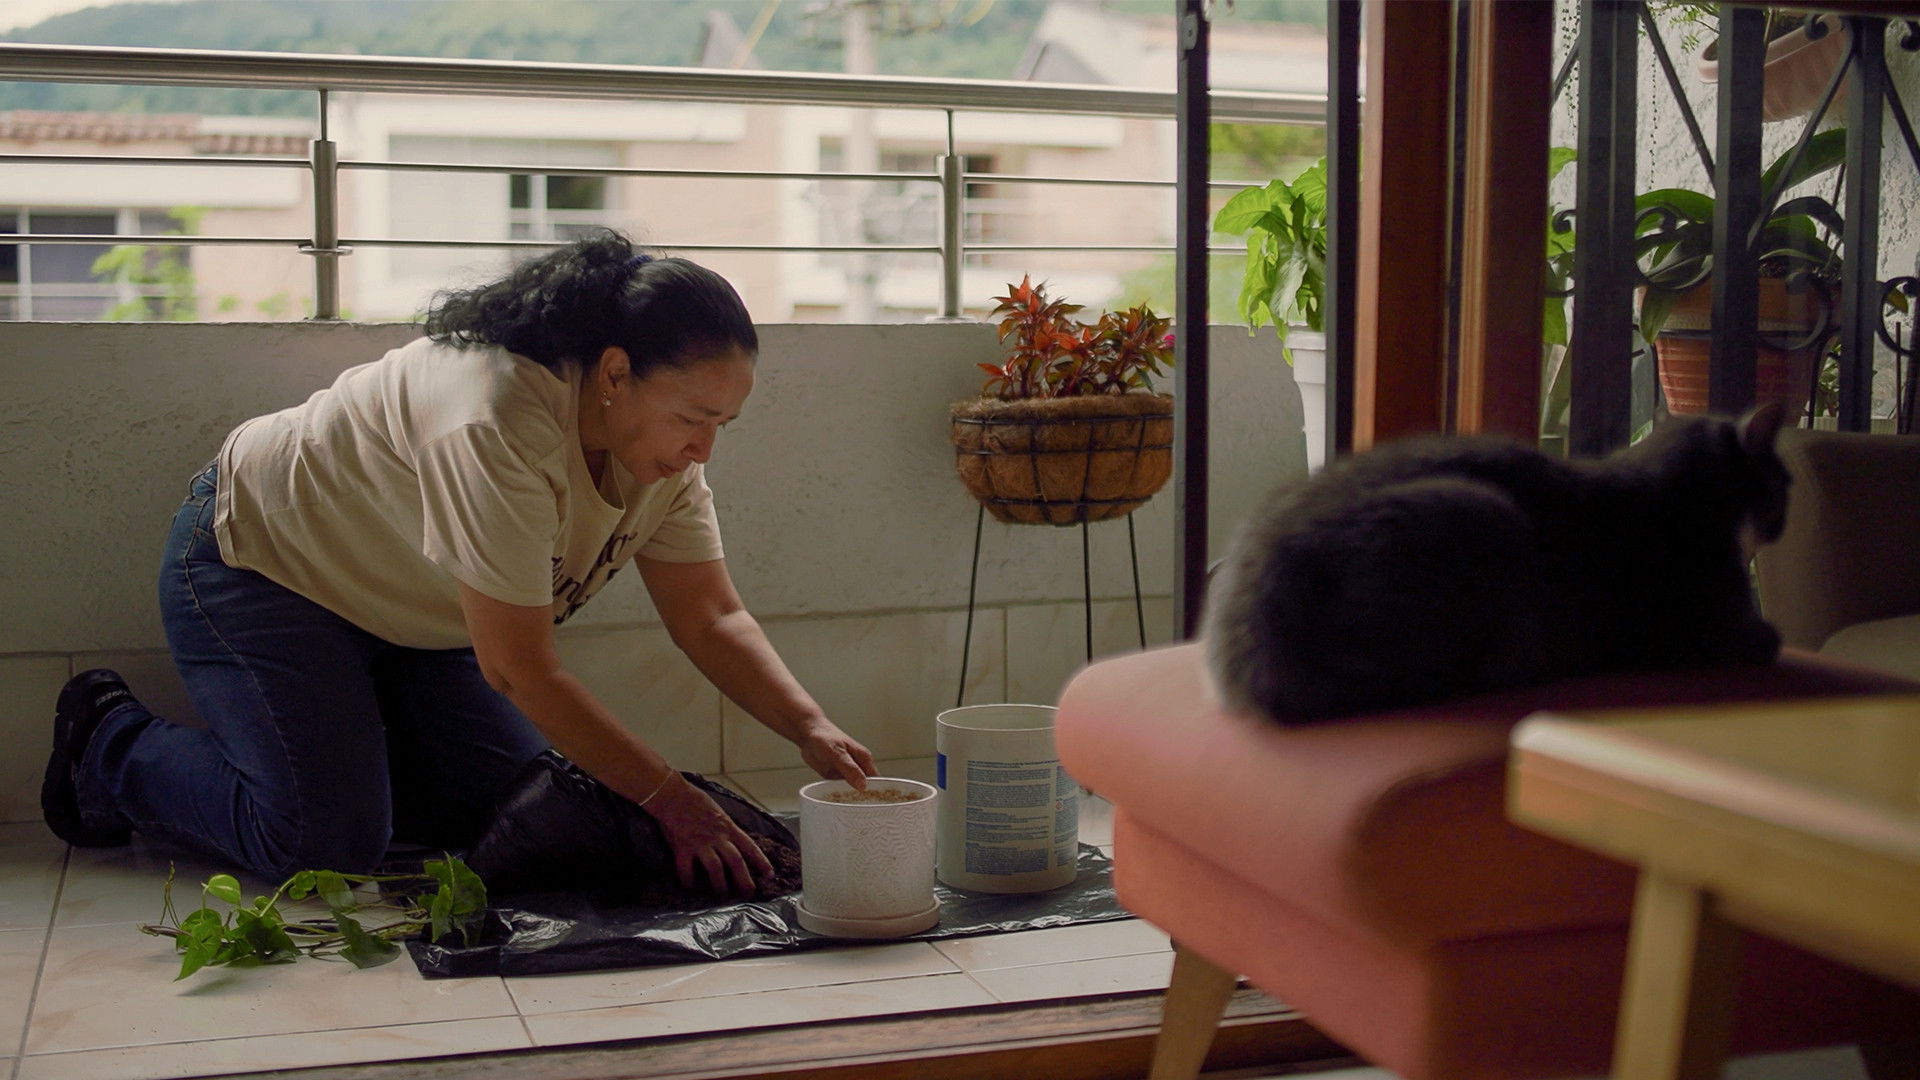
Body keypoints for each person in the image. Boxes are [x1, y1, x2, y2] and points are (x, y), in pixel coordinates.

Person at [41, 230, 876, 897]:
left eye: (723, 425)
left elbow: (710, 615)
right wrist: (672, 800)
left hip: (418, 621)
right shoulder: (497, 417)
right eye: (693, 418)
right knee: (323, 844)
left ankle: (353, 747)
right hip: (266, 570)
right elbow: (520, 668)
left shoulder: (664, 461)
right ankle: (108, 746)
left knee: (516, 816)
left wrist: (810, 726)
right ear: (616, 373)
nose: (703, 449)